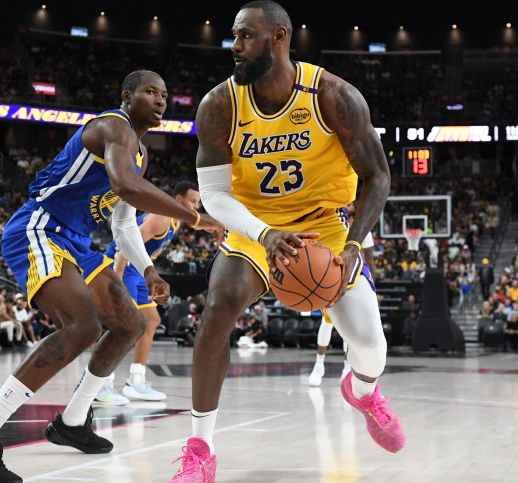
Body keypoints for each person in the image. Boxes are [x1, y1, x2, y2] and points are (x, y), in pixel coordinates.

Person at [0, 70, 221, 483]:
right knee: (83, 325)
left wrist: (149, 271)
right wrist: (195, 217)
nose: (161, 101)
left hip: (75, 242)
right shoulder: (112, 126)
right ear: (127, 96)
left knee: (131, 323)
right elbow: (126, 186)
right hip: (39, 227)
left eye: (165, 95)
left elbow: (124, 225)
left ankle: (72, 422)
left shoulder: (141, 153)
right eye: (150, 92)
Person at [169, 3, 404, 480]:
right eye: (233, 37)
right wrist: (265, 232)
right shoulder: (219, 105)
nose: (233, 47)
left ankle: (363, 392)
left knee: (370, 345)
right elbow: (213, 194)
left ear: (279, 37)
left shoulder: (333, 96)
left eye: (244, 37)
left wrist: (355, 246)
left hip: (327, 227)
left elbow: (377, 177)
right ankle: (200, 450)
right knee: (219, 306)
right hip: (257, 227)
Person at [100, 181, 204, 403]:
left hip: (137, 272)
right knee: (124, 326)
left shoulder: (177, 220)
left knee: (151, 320)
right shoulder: (161, 218)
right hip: (123, 266)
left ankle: (136, 381)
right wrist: (117, 274)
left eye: (198, 202)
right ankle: (101, 385)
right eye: (193, 201)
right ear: (178, 200)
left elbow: (202, 223)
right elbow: (126, 241)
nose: (196, 206)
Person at [308, 232, 374, 386]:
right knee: (327, 321)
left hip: (354, 276)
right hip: (328, 274)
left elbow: (370, 258)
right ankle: (319, 364)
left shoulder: (363, 225)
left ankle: (347, 367)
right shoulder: (333, 217)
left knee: (349, 326)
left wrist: (372, 288)